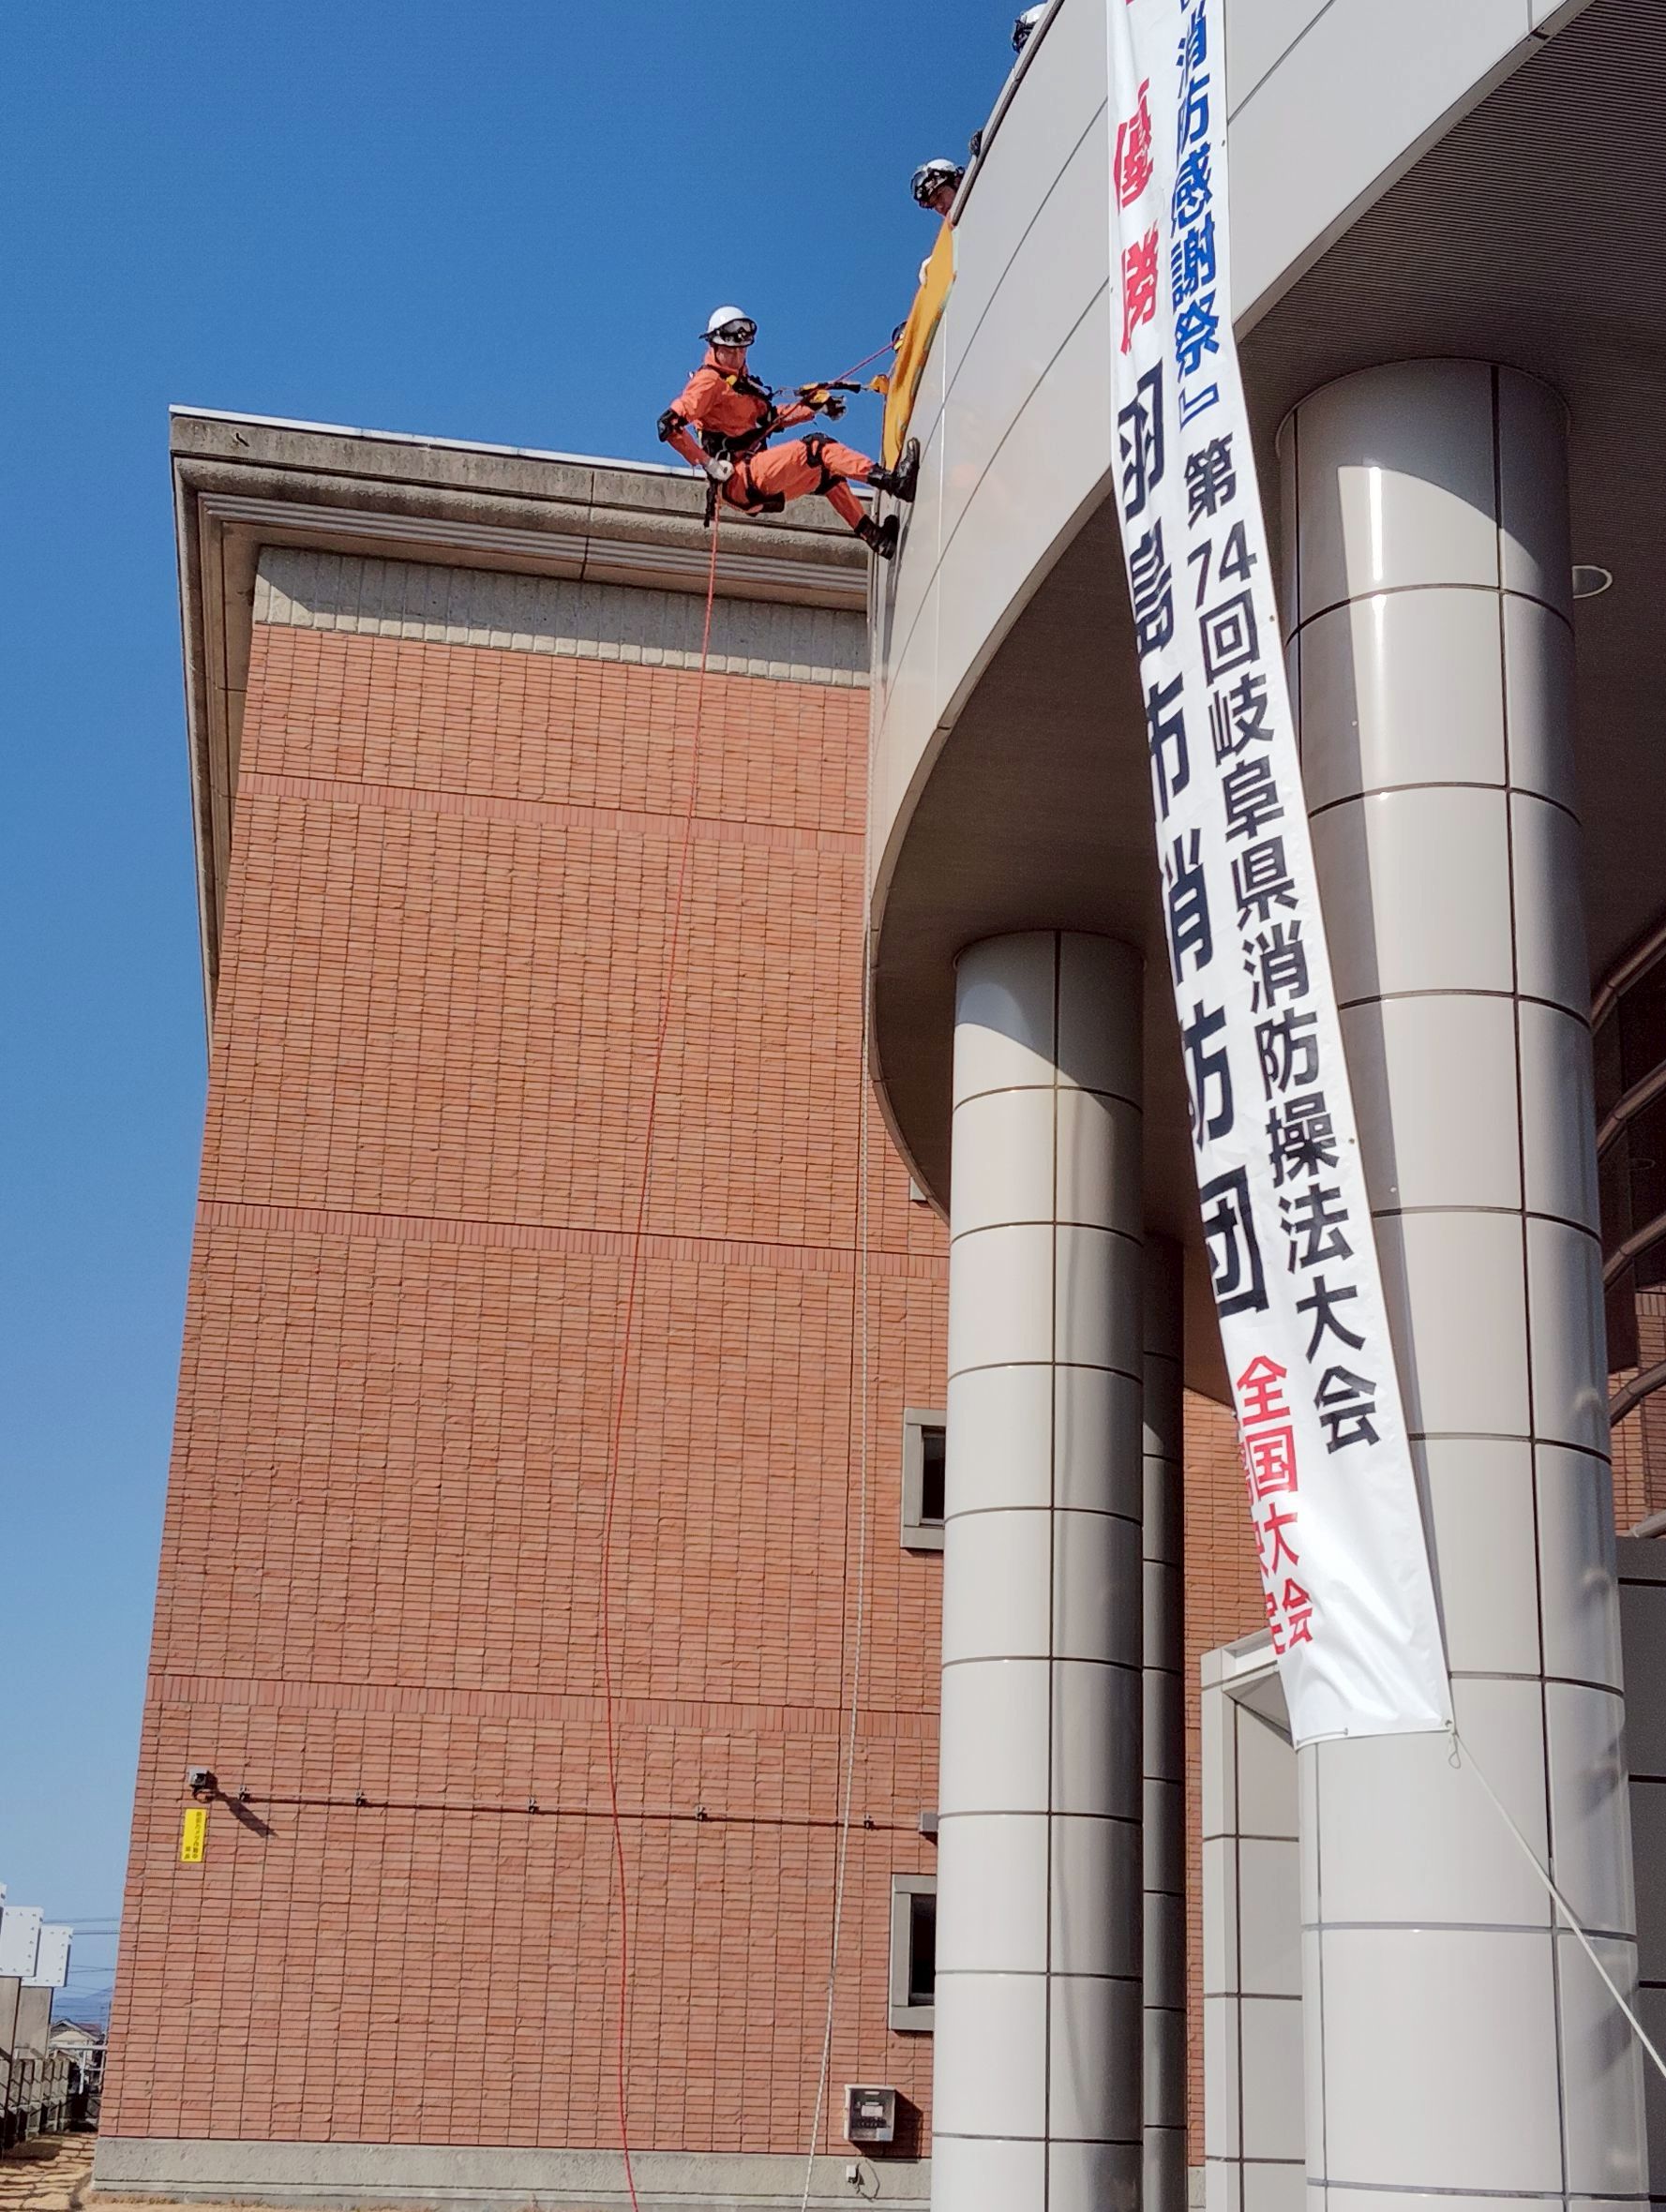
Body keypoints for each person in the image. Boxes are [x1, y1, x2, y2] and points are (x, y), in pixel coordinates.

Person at [658, 306, 918, 560]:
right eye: (731, 350)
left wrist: (813, 408)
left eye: (742, 349)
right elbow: (668, 425)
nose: (738, 356)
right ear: (714, 346)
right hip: (738, 477)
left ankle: (877, 539)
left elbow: (770, 419)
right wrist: (709, 464)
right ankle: (895, 483)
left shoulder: (739, 381)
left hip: (751, 477)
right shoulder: (708, 382)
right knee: (817, 448)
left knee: (828, 473)